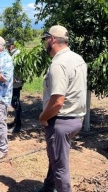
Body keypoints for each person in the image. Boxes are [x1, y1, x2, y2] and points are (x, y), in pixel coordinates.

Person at [37, 25, 87, 192]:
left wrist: (43, 117)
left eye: (45, 40)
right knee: (57, 157)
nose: (45, 44)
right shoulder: (77, 58)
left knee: (60, 167)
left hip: (61, 121)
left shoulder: (58, 64)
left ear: (52, 40)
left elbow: (58, 101)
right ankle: (48, 187)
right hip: (76, 119)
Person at [5, 38, 24, 133]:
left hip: (16, 83)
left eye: (9, 46)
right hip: (12, 83)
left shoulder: (18, 54)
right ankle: (16, 121)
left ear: (14, 45)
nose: (8, 48)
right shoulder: (12, 54)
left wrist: (19, 79)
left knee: (16, 103)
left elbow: (20, 69)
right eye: (7, 46)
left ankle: (18, 125)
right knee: (14, 102)